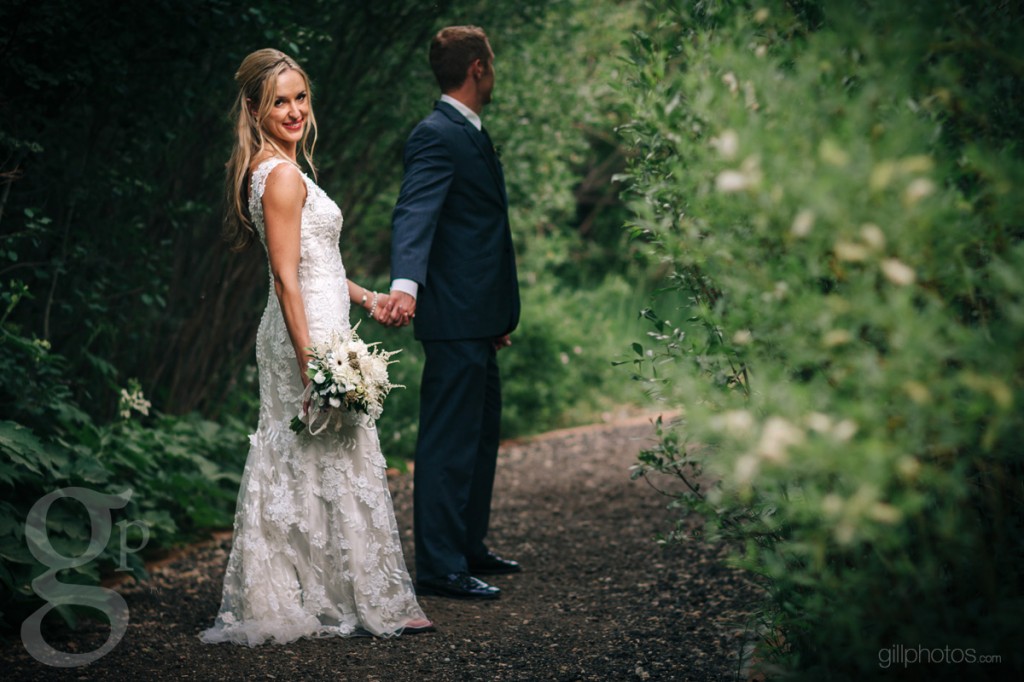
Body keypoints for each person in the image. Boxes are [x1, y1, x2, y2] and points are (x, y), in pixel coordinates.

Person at [201, 48, 432, 645]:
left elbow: (319, 264)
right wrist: (312, 367)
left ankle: (332, 591)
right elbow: (286, 278)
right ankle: (354, 595)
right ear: (254, 108)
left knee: (320, 454)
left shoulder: (280, 168)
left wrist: (368, 298)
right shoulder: (279, 176)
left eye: (300, 97)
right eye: (279, 101)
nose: (294, 110)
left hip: (323, 320)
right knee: (325, 447)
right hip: (303, 334)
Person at [386, 26, 522, 600]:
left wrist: (495, 314)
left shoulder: (470, 132)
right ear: (478, 68)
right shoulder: (436, 134)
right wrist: (406, 286)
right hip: (452, 319)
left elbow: (475, 231)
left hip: (478, 319)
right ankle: (440, 567)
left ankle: (467, 547)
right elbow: (415, 212)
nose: (494, 72)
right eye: (492, 63)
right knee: (449, 443)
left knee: (480, 438)